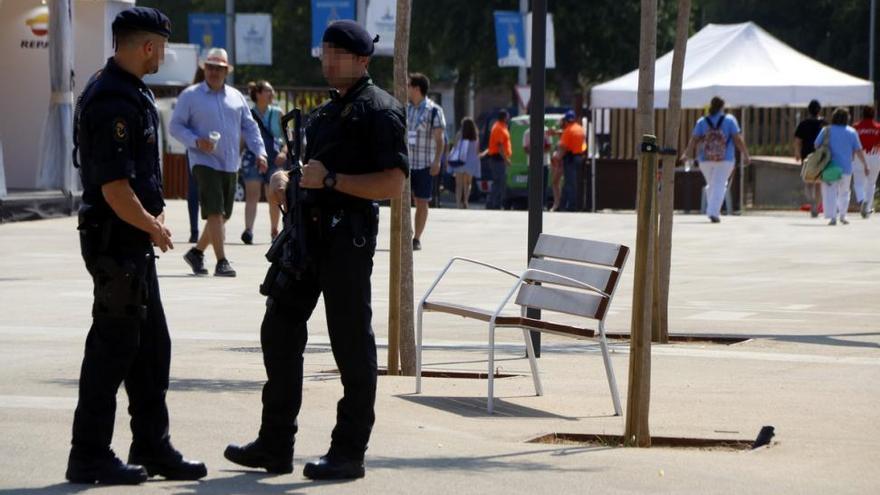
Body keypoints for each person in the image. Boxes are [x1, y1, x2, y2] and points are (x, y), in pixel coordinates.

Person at [223, 20, 408, 480]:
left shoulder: (379, 110)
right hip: (305, 236)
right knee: (279, 330)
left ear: (362, 60)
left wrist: (332, 181)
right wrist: (284, 179)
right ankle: (274, 443)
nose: (328, 61)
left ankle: (349, 452)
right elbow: (304, 166)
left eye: (338, 54)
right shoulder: (326, 113)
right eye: (324, 52)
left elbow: (393, 181)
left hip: (347, 241)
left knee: (350, 344)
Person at [66, 7, 206, 485]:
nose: (162, 55)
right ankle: (88, 454)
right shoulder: (110, 100)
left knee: (151, 348)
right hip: (116, 243)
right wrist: (152, 224)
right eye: (161, 47)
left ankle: (152, 445)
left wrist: (151, 218)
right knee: (112, 350)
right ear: (147, 46)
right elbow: (112, 187)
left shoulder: (128, 92)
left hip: (133, 242)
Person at [170, 47, 267, 277]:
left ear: (226, 71)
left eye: (219, 68)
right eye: (210, 67)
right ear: (204, 69)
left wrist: (260, 152)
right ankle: (221, 261)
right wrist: (196, 141)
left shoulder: (236, 97)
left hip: (230, 162)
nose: (214, 72)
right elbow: (175, 126)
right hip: (203, 161)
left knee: (222, 214)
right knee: (214, 209)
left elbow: (249, 127)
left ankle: (197, 252)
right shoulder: (190, 95)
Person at [681, 96, 751, 223]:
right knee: (718, 184)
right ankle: (713, 212)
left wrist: (686, 153)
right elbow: (737, 139)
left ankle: (713, 210)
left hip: (705, 159)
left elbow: (694, 139)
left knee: (713, 185)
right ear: (722, 107)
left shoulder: (702, 121)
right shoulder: (730, 120)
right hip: (726, 159)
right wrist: (746, 154)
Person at [241, 80, 287, 244]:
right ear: (258, 94)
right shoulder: (248, 113)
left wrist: (284, 152)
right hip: (253, 156)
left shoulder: (277, 112)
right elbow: (242, 138)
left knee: (273, 195)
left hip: (275, 157)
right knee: (252, 195)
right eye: (268, 91)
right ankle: (248, 231)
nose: (272, 94)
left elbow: (289, 137)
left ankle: (274, 231)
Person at [406, 72, 445, 250]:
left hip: (424, 164)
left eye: (408, 86)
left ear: (416, 88)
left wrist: (437, 161)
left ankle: (417, 238)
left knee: (421, 200)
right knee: (402, 200)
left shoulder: (434, 110)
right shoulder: (405, 108)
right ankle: (405, 233)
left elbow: (439, 139)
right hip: (406, 163)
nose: (406, 89)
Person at [814, 107, 870, 225]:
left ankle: (833, 217)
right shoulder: (851, 131)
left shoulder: (826, 130)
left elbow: (816, 144)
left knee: (830, 192)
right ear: (847, 119)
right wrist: (865, 164)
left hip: (829, 166)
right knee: (844, 192)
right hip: (846, 167)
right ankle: (843, 216)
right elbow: (859, 150)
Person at [794, 100, 826, 218]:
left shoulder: (803, 124)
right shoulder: (824, 123)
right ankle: (816, 207)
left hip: (807, 156)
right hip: (821, 156)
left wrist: (797, 153)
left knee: (808, 183)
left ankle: (811, 201)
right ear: (819, 110)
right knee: (819, 184)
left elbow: (798, 140)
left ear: (809, 110)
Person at [186, 67, 205, 242]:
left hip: (192, 146)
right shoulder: (209, 95)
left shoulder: (189, 96)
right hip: (208, 147)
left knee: (193, 189)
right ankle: (211, 226)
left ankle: (194, 230)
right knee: (207, 188)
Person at [554, 110, 587, 211]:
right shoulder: (580, 129)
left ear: (566, 120)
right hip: (579, 157)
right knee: (569, 182)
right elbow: (584, 144)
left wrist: (557, 158)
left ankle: (571, 206)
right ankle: (563, 205)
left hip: (570, 159)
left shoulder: (568, 131)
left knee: (570, 183)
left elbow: (563, 148)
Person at [480, 110, 512, 209]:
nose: (508, 118)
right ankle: (493, 203)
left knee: (498, 182)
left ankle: (494, 203)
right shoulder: (499, 128)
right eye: (507, 116)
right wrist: (506, 159)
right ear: (504, 117)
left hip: (498, 159)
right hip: (498, 159)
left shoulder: (500, 126)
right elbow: (499, 146)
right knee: (498, 181)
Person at [852, 105, 880, 218]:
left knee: (858, 182)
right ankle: (867, 208)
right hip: (875, 155)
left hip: (859, 156)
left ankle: (862, 200)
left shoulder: (855, 127)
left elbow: (852, 144)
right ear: (873, 114)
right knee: (871, 183)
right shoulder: (878, 127)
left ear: (862, 114)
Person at [448, 117, 481, 208]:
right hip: (471, 162)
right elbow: (477, 151)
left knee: (458, 184)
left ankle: (458, 203)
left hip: (460, 161)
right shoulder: (475, 135)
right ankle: (466, 200)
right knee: (468, 183)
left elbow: (454, 147)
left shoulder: (459, 134)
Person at [522, 123, 555, 209]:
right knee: (531, 184)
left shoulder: (545, 130)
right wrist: (536, 152)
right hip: (531, 163)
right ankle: (531, 205)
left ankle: (542, 204)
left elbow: (549, 146)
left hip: (544, 162)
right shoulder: (527, 132)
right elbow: (525, 148)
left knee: (543, 184)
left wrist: (538, 151)